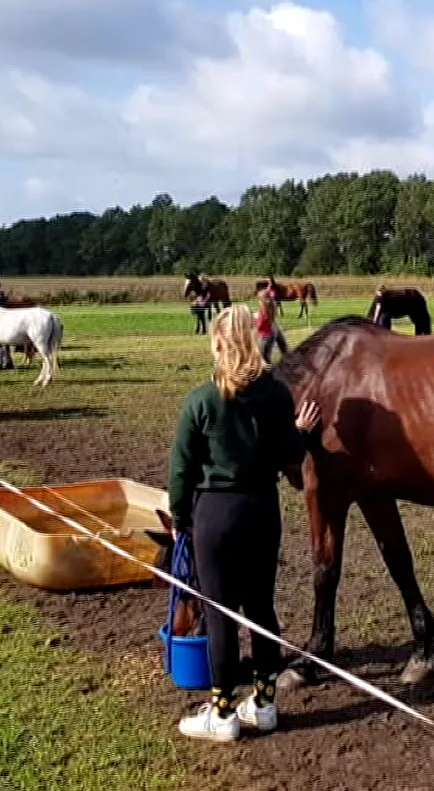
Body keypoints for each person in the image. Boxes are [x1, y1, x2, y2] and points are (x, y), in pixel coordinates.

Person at [167, 305, 320, 742]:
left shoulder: (201, 399)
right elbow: (291, 453)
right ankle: (265, 705)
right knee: (260, 609)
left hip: (214, 515)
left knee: (219, 615)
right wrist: (302, 431)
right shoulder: (276, 394)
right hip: (261, 510)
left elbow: (180, 470)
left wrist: (180, 518)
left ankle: (222, 714)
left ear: (219, 343)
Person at [256, 279, 289, 364]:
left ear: (262, 302)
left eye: (259, 300)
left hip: (265, 336)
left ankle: (269, 375)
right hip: (271, 332)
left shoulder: (263, 314)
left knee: (264, 359)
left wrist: (254, 321)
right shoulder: (271, 306)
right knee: (266, 357)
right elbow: (269, 294)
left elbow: (259, 326)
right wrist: (270, 285)